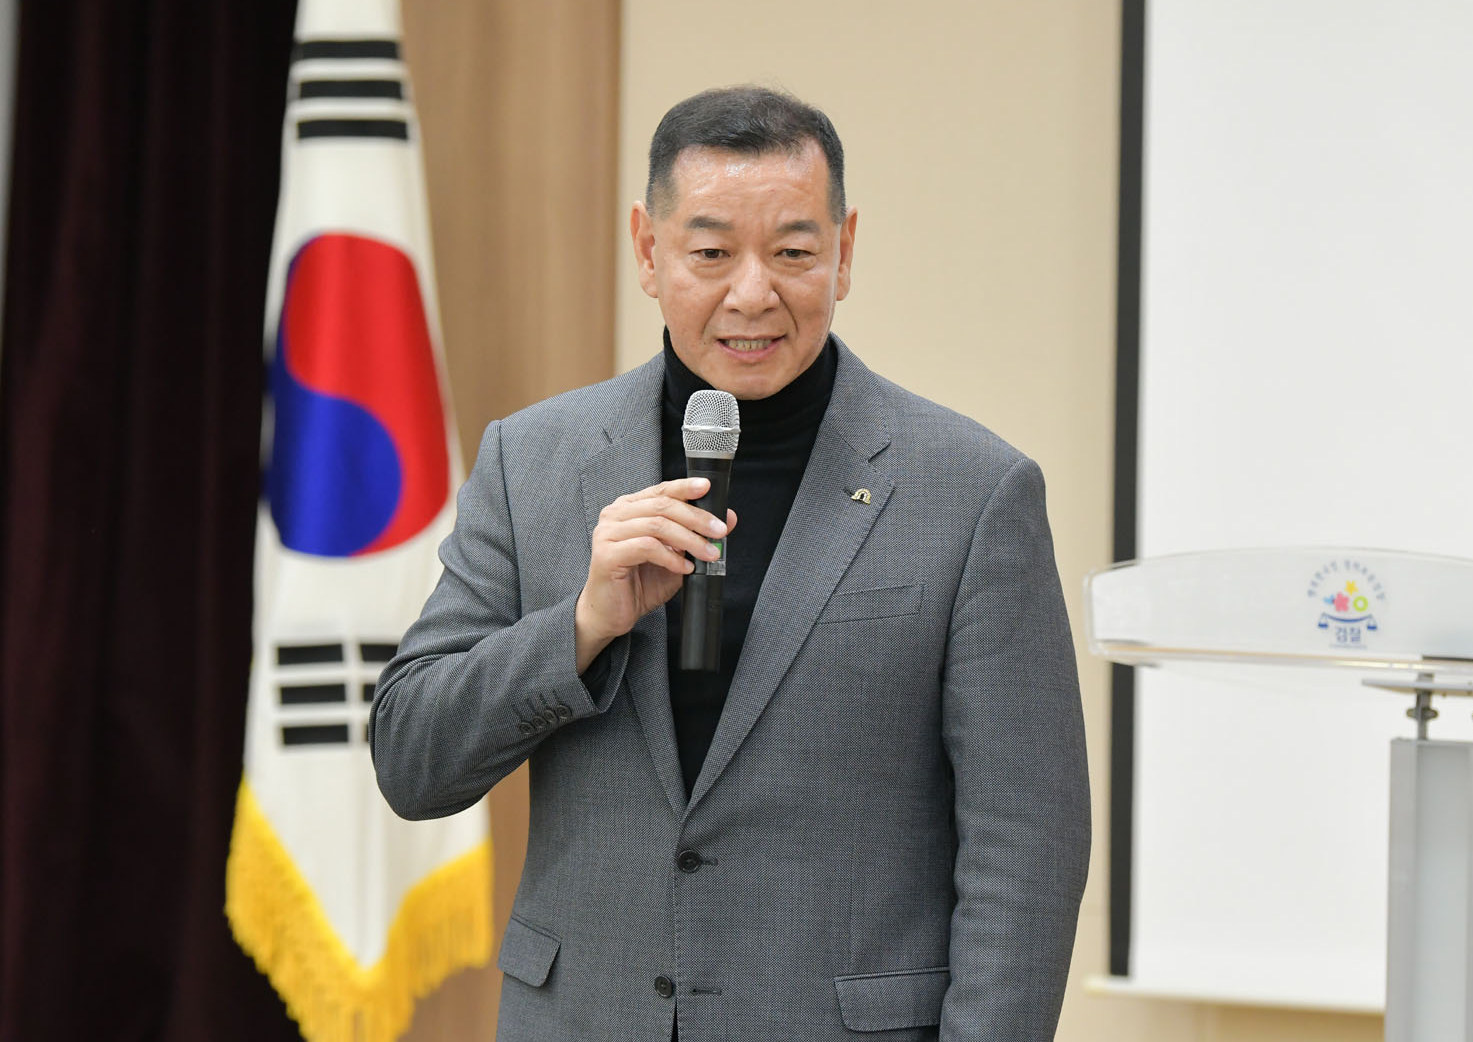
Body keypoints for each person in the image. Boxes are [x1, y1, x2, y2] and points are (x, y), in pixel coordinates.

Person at [371, 86, 1089, 1042]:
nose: (753, 294)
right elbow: (412, 761)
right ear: (647, 249)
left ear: (845, 252)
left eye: (793, 253)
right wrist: (581, 628)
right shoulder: (531, 461)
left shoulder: (971, 490)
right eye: (711, 254)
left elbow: (1027, 850)